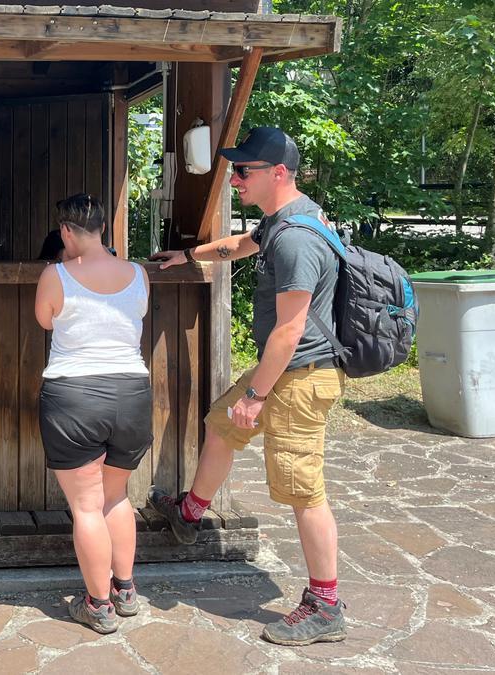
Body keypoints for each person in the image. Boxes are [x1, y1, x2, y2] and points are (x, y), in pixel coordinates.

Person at [148, 127, 348, 647]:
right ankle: (190, 512)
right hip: (283, 370)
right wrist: (189, 255)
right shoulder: (284, 220)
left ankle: (325, 604)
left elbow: (290, 330)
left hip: (298, 378)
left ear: (277, 174)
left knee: (303, 490)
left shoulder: (299, 240)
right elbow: (241, 243)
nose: (235, 179)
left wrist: (256, 397)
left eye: (244, 171)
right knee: (220, 425)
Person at [35, 194, 152, 634]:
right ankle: (125, 590)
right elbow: (136, 313)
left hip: (74, 395)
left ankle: (98, 604)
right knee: (116, 496)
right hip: (132, 392)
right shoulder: (138, 273)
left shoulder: (56, 274)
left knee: (86, 507)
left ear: (66, 231)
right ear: (103, 228)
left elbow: (46, 320)